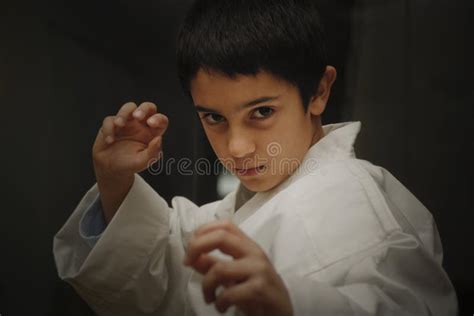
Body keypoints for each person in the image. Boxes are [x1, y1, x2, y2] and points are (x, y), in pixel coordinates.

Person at [53, 0, 457, 315]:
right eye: (214, 118)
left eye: (261, 112)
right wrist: (115, 181)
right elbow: (160, 272)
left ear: (318, 92)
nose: (237, 148)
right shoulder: (229, 215)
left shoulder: (356, 195)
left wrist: (292, 305)